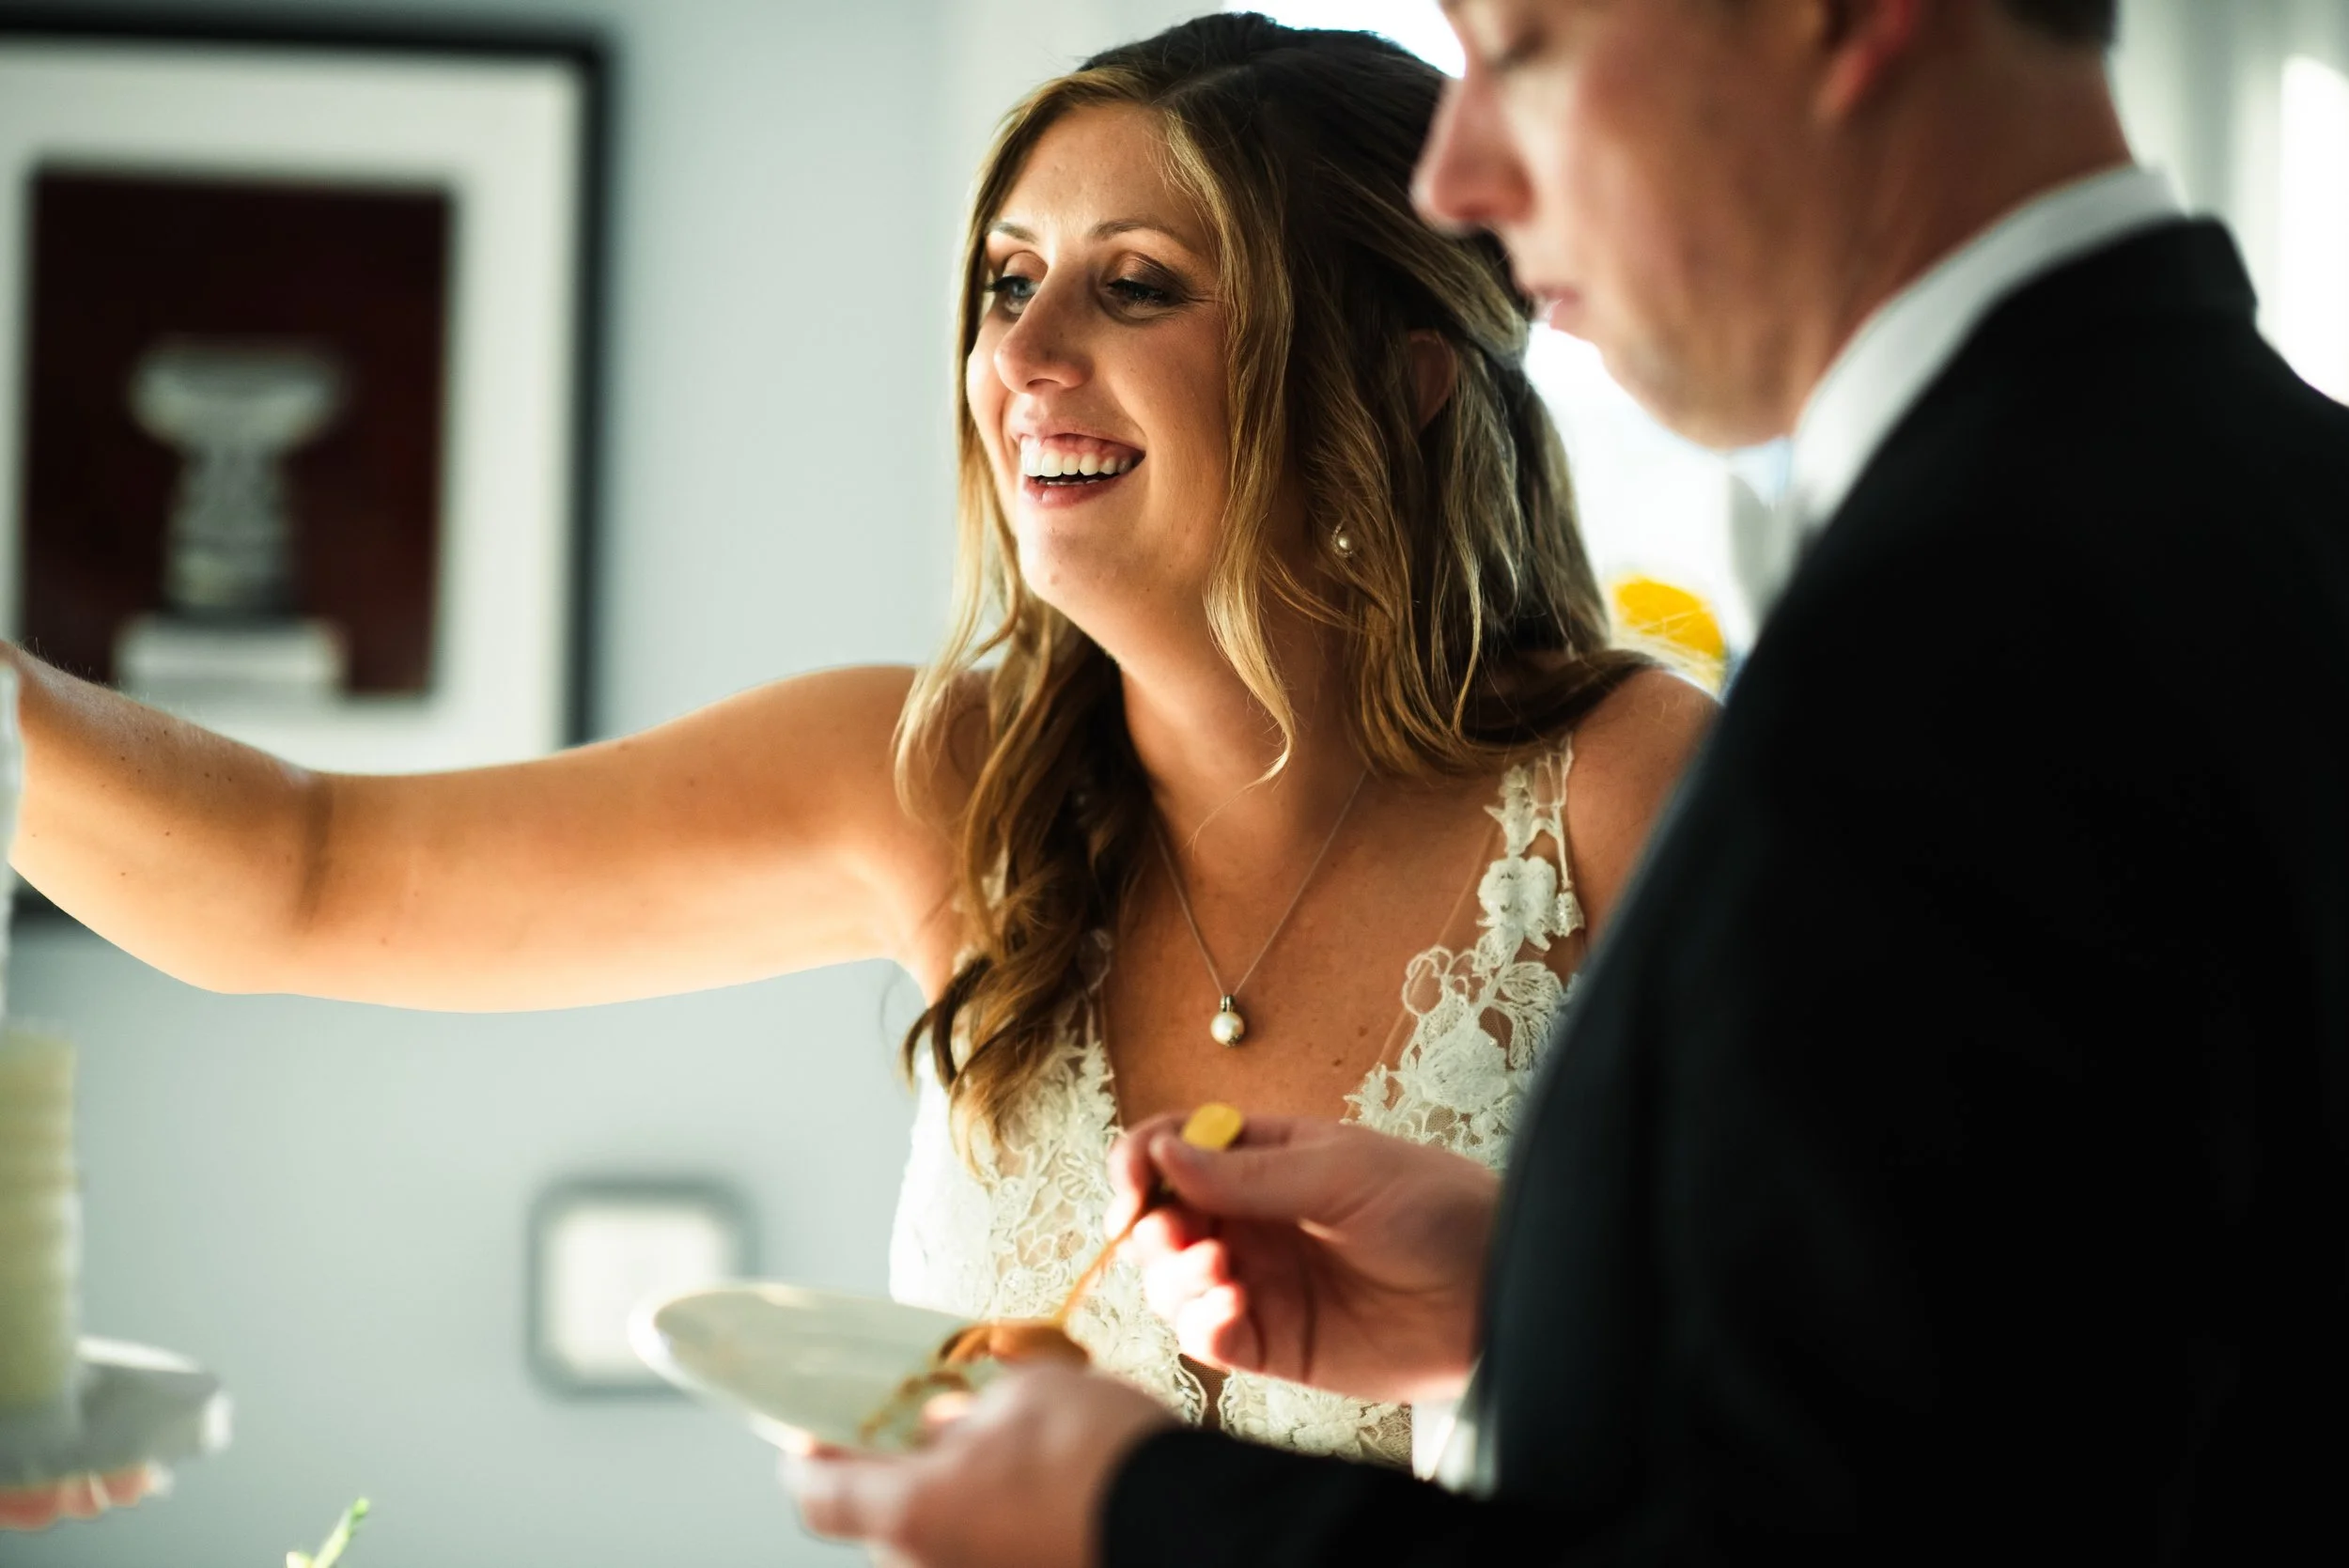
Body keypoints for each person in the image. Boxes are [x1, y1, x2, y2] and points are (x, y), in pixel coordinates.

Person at [0, 14, 1710, 1472]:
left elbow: (1878, 1361)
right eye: (1007, 281)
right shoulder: (934, 782)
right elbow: (299, 877)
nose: (1023, 359)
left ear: (1397, 374)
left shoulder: (1631, 795)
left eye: (1135, 288)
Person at [787, 0, 2349, 1562]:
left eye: (1522, 48)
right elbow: (2087, 1352)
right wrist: (1533, 1290)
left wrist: (1131, 1509)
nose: (1463, 178)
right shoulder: (2245, 509)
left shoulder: (1965, 639)